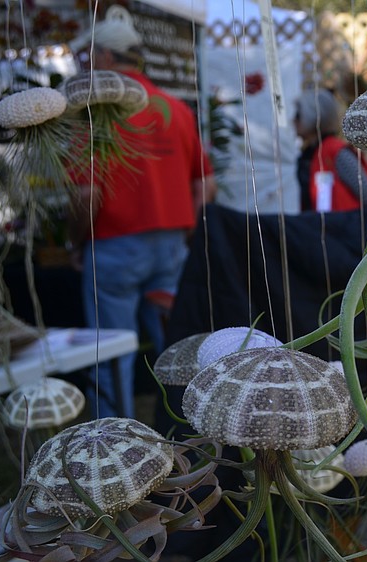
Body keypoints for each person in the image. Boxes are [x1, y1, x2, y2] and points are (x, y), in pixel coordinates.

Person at [67, 6, 216, 419]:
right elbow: (205, 185)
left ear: (105, 58)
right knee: (178, 343)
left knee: (113, 349)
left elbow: (86, 195)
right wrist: (186, 234)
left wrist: (74, 242)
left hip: (114, 244)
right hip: (172, 244)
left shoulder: (95, 114)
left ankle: (116, 443)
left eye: (89, 57)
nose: (87, 65)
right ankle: (196, 426)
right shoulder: (177, 108)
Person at [294, 89, 367, 212]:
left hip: (342, 227)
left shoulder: (335, 150)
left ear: (313, 116)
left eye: (298, 115)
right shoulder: (309, 153)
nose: (293, 120)